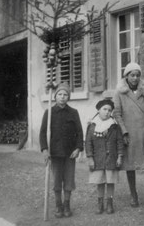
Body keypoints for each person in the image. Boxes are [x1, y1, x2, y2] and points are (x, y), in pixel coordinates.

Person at [39, 83, 84, 218]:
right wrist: (45, 150)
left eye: (65, 95)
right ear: (55, 96)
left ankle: (67, 205)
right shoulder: (49, 112)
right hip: (55, 153)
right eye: (60, 94)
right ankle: (58, 206)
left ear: (68, 97)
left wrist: (78, 148)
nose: (62, 97)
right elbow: (42, 133)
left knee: (69, 180)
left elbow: (79, 132)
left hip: (70, 153)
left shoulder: (73, 113)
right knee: (57, 180)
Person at [113, 62, 144, 207]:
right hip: (129, 132)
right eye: (132, 75)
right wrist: (123, 131)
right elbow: (116, 113)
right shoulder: (120, 92)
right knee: (130, 165)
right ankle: (133, 195)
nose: (135, 78)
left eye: (137, 75)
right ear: (126, 76)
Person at [85, 99, 124, 214]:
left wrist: (120, 156)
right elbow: (88, 143)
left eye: (109, 110)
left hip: (111, 158)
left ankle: (109, 203)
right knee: (100, 182)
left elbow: (119, 142)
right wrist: (90, 158)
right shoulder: (92, 126)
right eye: (104, 109)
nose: (107, 112)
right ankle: (100, 204)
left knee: (110, 181)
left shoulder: (114, 126)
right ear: (98, 110)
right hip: (97, 159)